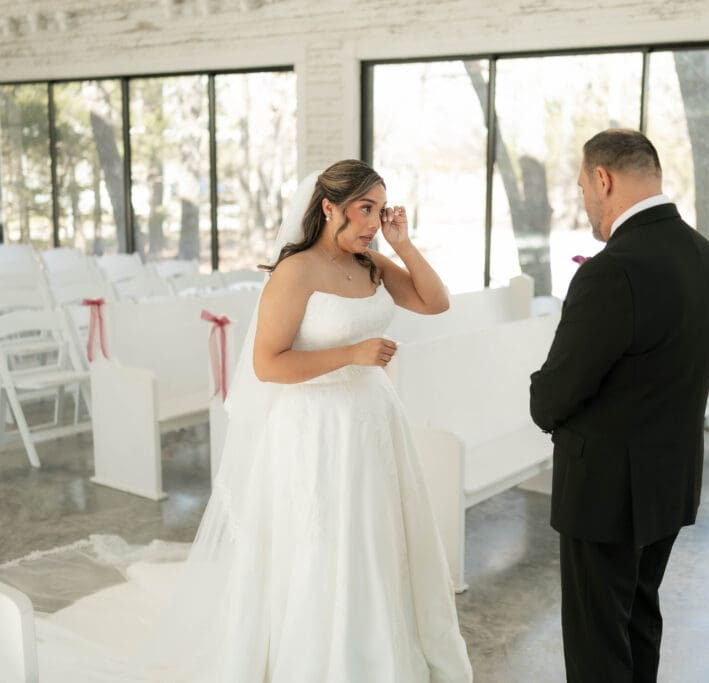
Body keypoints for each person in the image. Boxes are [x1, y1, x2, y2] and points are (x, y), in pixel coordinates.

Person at [32, 161, 473, 682]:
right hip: (316, 428)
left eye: (380, 210)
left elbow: (436, 302)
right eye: (365, 209)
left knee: (371, 538)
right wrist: (352, 353)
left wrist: (401, 244)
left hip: (373, 422)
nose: (374, 221)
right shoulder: (296, 271)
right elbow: (269, 364)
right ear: (329, 207)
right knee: (324, 544)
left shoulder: (373, 263)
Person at [529, 129, 709, 683]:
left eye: (582, 187)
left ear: (603, 179)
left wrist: (540, 397)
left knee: (597, 643)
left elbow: (556, 393)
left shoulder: (612, 270)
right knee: (639, 620)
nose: (585, 202)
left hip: (605, 491)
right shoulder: (705, 256)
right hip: (669, 482)